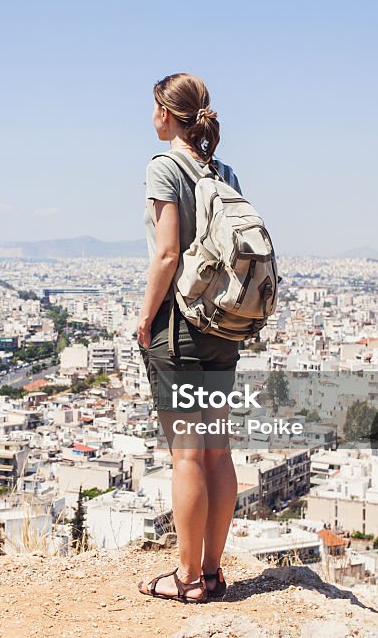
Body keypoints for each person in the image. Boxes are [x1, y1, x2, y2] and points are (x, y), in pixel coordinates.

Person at [136, 73, 241, 604]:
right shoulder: (223, 171)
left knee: (187, 456)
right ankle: (214, 571)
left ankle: (187, 578)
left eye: (153, 107)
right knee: (218, 451)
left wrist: (143, 316)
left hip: (179, 330)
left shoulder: (165, 168)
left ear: (166, 112)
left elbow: (167, 254)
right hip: (224, 328)